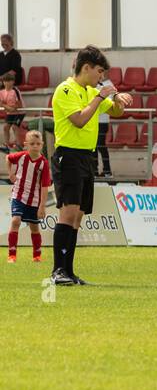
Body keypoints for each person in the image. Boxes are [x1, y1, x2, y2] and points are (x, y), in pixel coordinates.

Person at [49, 46, 134, 286]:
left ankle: (69, 271)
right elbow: (79, 120)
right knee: (67, 213)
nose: (101, 77)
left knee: (77, 216)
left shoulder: (91, 90)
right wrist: (100, 95)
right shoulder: (65, 90)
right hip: (69, 156)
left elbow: (116, 111)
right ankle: (57, 270)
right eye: (99, 72)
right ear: (86, 67)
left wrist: (117, 98)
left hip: (87, 157)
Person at [6, 130, 49, 263]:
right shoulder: (21, 156)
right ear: (26, 145)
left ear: (42, 145)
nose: (35, 146)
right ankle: (12, 255)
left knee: (34, 227)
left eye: (38, 144)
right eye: (32, 144)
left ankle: (37, 254)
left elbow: (45, 186)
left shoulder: (43, 163)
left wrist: (42, 206)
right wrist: (11, 174)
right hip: (18, 195)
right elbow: (8, 158)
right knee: (15, 221)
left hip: (34, 199)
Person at [0, 71, 22, 148]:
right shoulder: (1, 92)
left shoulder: (15, 90)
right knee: (6, 127)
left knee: (14, 127)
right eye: (5, 81)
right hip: (10, 112)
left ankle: (18, 144)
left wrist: (11, 108)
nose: (7, 83)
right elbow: (1, 103)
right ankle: (7, 144)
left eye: (9, 81)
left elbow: (19, 104)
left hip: (19, 112)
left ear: (13, 82)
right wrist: (9, 108)